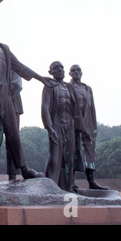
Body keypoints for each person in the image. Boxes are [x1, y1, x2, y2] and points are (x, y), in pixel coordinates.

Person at [0, 0, 51, 179]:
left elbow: (20, 67)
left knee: (13, 133)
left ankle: (23, 168)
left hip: (4, 93)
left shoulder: (4, 48)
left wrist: (41, 78)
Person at [69, 64, 108, 190]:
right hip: (73, 124)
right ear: (70, 74)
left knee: (90, 153)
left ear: (82, 72)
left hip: (88, 125)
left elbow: (92, 109)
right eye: (73, 70)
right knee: (73, 152)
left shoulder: (87, 89)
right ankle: (71, 181)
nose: (76, 72)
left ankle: (92, 181)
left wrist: (94, 127)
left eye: (78, 70)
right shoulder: (68, 87)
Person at [41, 61, 77, 192]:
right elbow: (45, 107)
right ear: (50, 73)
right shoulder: (49, 86)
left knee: (69, 159)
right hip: (56, 123)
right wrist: (49, 127)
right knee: (55, 157)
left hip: (69, 126)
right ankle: (50, 187)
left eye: (62, 67)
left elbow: (76, 109)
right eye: (56, 68)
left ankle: (68, 188)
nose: (60, 70)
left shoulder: (69, 87)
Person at [0, 71, 23, 180]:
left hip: (12, 107)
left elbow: (18, 86)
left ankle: (13, 174)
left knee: (13, 141)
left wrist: (3, 101)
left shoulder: (13, 68)